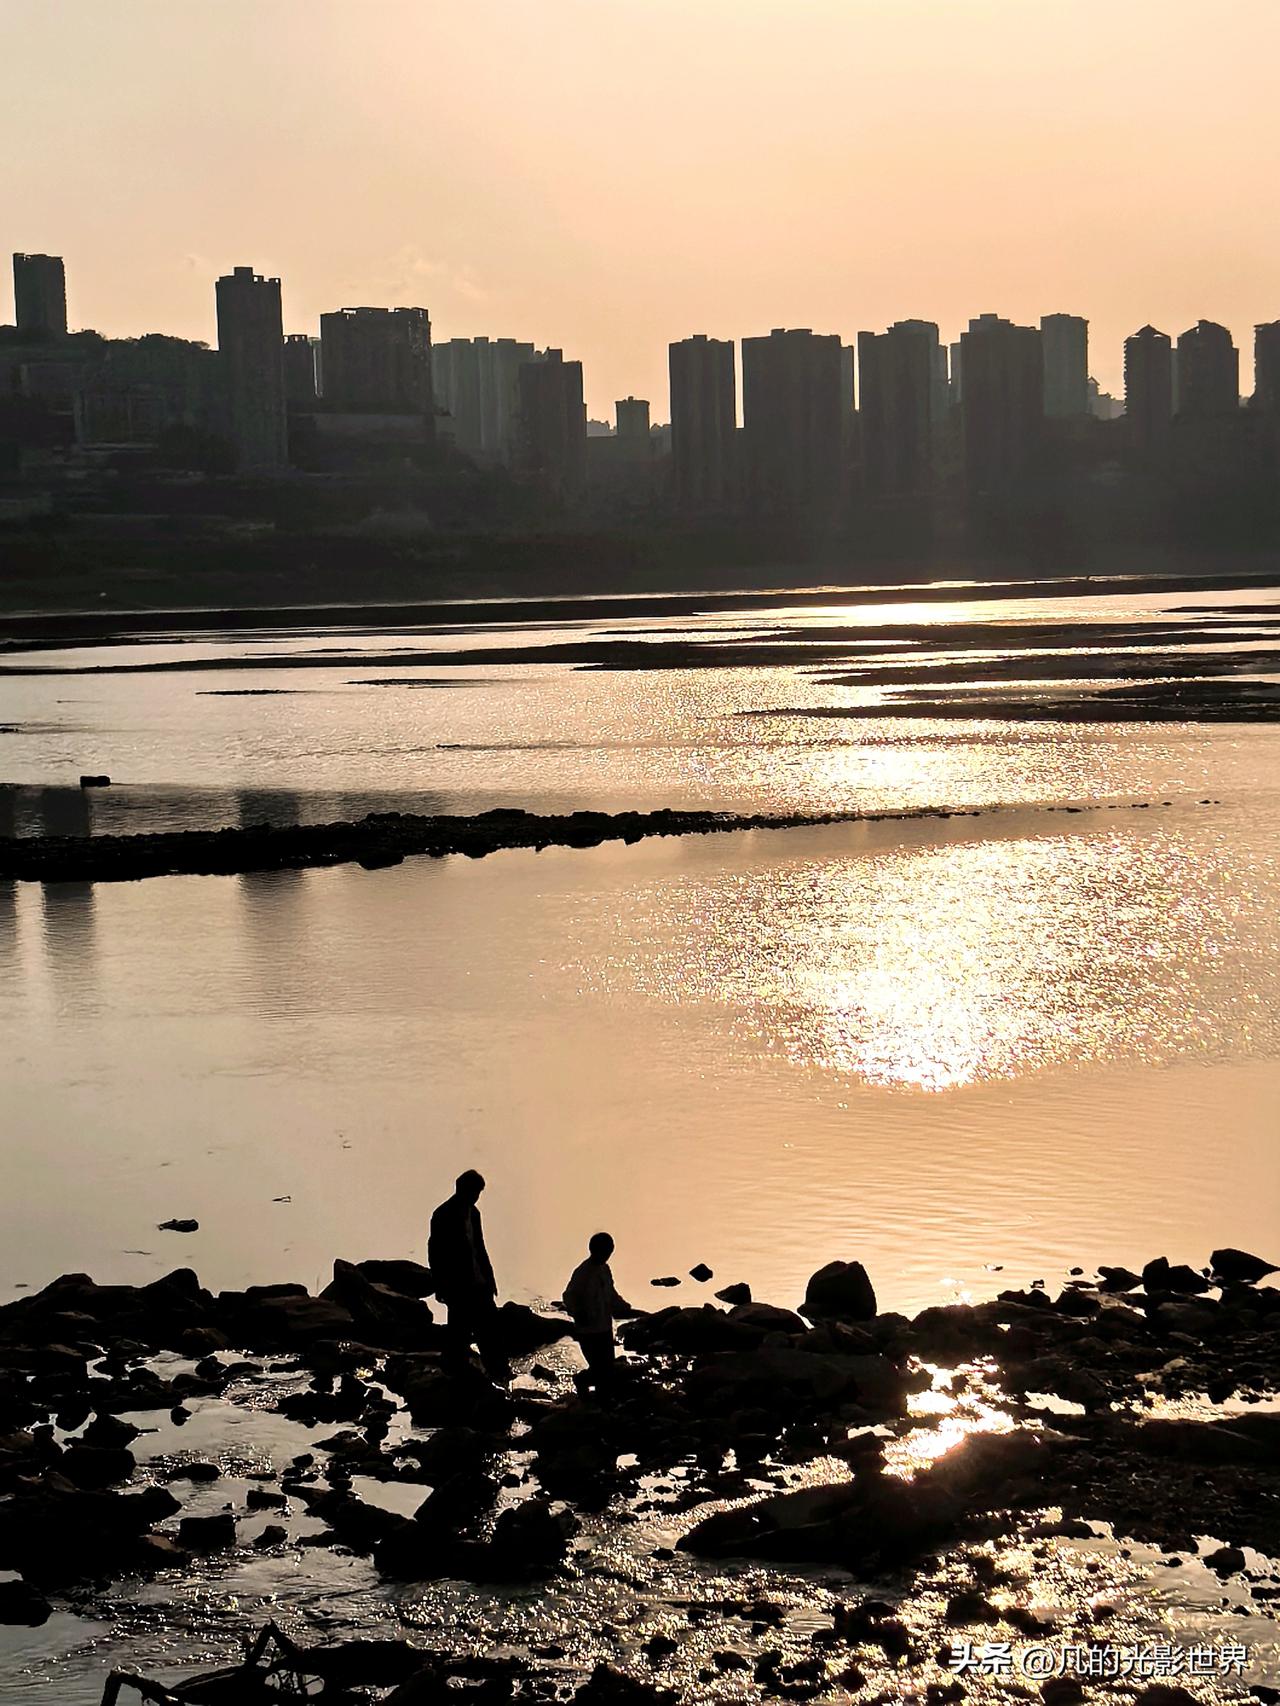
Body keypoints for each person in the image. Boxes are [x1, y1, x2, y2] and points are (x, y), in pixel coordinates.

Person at [428, 1169, 509, 1385]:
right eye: (475, 1192)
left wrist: (490, 1278)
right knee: (459, 1330)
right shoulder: (443, 1214)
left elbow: (480, 1248)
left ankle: (498, 1371)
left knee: (489, 1328)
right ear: (462, 1189)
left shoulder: (474, 1214)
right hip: (458, 1284)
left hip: (478, 1282)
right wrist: (441, 1285)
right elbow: (435, 1252)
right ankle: (457, 1371)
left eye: (478, 1193)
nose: (476, 1197)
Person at [562, 1232, 635, 1396]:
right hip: (588, 1331)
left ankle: (602, 1400)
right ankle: (581, 1382)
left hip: (604, 1328)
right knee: (600, 1369)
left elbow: (610, 1294)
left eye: (609, 1251)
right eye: (605, 1251)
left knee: (607, 1369)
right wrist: (579, 1314)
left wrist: (623, 1306)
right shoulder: (583, 1273)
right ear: (594, 1250)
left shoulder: (605, 1269)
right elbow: (569, 1296)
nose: (608, 1255)